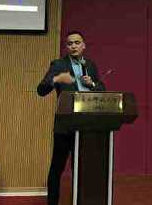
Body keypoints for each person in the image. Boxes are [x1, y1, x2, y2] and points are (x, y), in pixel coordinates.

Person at [37, 31, 105, 205]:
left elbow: (102, 90)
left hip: (87, 126)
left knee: (82, 169)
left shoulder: (91, 65)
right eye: (69, 43)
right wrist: (57, 78)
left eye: (77, 42)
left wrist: (92, 84)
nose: (73, 46)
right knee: (57, 168)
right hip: (65, 126)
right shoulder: (59, 64)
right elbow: (41, 90)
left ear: (84, 45)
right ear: (66, 47)